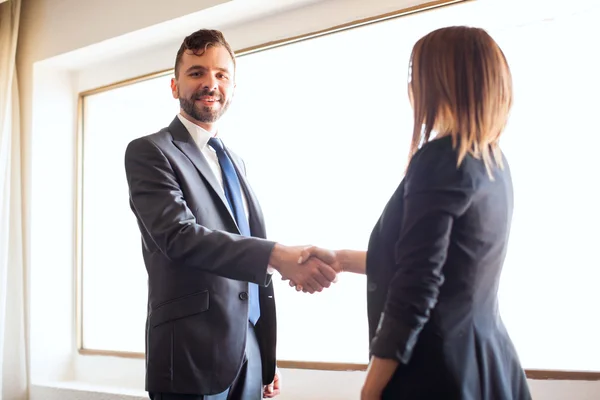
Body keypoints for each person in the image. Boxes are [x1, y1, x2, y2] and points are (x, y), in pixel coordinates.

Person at [295, 26, 532, 400]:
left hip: (437, 372)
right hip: (488, 365)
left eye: (414, 75)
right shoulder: (493, 163)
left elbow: (418, 284)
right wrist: (340, 259)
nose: (411, 87)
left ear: (442, 80)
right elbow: (447, 265)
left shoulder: (440, 159)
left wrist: (371, 387)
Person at [124, 29, 338, 400]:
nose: (211, 83)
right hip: (189, 356)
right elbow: (179, 237)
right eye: (197, 73)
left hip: (248, 353)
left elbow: (242, 255)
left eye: (221, 74)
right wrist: (276, 255)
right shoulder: (150, 151)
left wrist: (263, 353)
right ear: (174, 86)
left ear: (233, 88)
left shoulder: (235, 162)